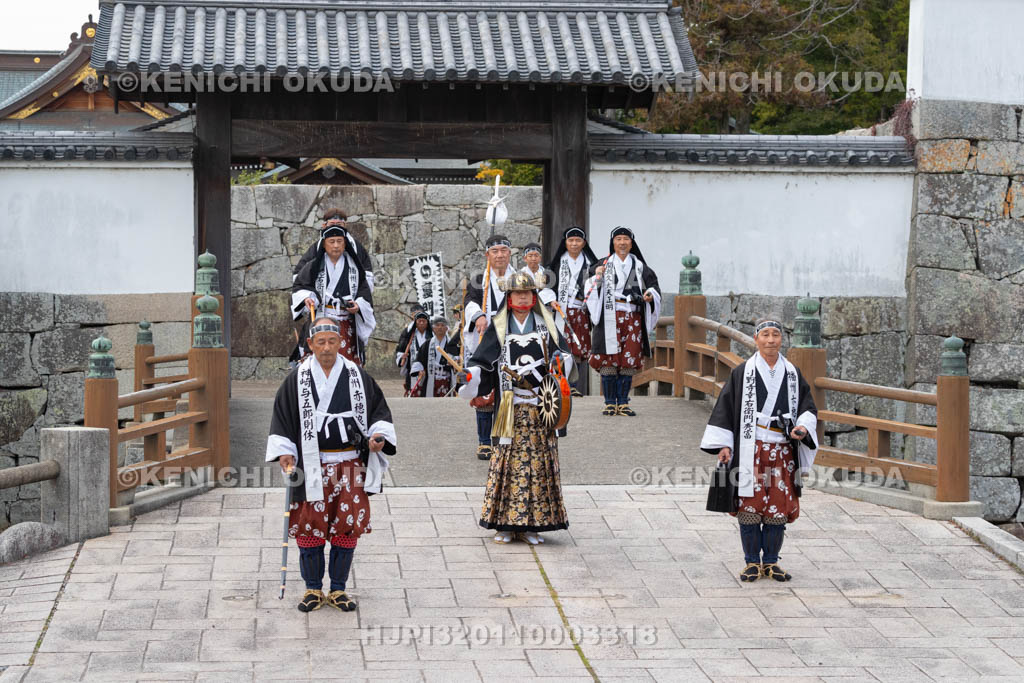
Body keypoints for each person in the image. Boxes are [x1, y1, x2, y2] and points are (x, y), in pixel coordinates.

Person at [267, 317, 397, 612]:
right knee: (308, 528)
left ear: (342, 343)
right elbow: (282, 418)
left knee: (346, 528)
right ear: (310, 344)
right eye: (320, 342)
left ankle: (338, 589)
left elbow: (378, 412)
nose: (326, 348)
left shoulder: (357, 376)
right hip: (311, 463)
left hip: (349, 464)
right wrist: (284, 451)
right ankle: (313, 589)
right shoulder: (296, 379)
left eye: (332, 341)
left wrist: (378, 438)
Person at [700, 319, 818, 583]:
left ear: (782, 339)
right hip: (750, 448)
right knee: (749, 507)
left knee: (778, 508)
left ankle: (772, 562)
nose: (771, 340)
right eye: (765, 334)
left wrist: (802, 426)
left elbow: (808, 406)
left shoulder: (792, 373)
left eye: (776, 334)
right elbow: (726, 408)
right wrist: (724, 444)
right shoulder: (743, 372)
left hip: (782, 449)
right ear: (756, 339)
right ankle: (752, 562)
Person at [459, 272, 570, 545]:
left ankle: (533, 525)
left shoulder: (546, 323)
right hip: (510, 404)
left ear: (534, 296)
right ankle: (505, 524)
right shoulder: (499, 326)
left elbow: (564, 355)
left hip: (541, 405)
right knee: (506, 464)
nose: (522, 297)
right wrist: (471, 375)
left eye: (527, 293)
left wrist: (560, 361)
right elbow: (482, 362)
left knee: (539, 465)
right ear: (508, 297)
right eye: (517, 293)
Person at [585, 226, 661, 416]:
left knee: (629, 359)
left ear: (631, 243)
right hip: (609, 317)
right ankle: (610, 402)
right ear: (613, 243)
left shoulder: (640, 267)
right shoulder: (603, 264)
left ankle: (624, 402)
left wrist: (650, 295)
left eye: (626, 239)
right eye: (618, 239)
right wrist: (597, 276)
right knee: (608, 360)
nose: (622, 243)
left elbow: (653, 287)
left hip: (632, 317)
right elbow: (589, 282)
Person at [291, 211, 376, 365]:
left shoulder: (354, 266)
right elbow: (300, 283)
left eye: (339, 241)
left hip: (346, 320)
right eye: (331, 242)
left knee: (346, 363)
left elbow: (364, 288)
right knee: (318, 359)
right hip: (322, 317)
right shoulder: (314, 264)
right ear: (324, 244)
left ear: (345, 243)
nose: (336, 245)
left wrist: (358, 305)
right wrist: (307, 298)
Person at [463, 234, 515, 459]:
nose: (500, 255)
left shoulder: (519, 279)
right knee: (485, 390)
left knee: (509, 390)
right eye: (495, 251)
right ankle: (484, 442)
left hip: (512, 341)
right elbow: (470, 302)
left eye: (504, 250)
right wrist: (478, 315)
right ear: (487, 255)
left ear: (510, 253)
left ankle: (503, 440)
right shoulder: (479, 280)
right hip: (487, 342)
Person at [546, 227, 598, 397]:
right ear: (565, 243)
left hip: (582, 311)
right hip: (562, 310)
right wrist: (550, 299)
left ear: (584, 243)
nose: (574, 244)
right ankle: (561, 383)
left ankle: (573, 384)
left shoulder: (592, 265)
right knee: (562, 346)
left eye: (578, 241)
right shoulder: (557, 264)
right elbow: (546, 286)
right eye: (571, 241)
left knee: (579, 347)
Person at [409, 316, 461, 397]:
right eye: (437, 325)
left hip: (447, 380)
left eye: (442, 325)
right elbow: (419, 359)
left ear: (446, 328)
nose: (440, 327)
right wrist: (419, 370)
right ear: (433, 328)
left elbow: (459, 360)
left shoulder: (452, 345)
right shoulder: (427, 344)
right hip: (432, 379)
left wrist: (456, 363)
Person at [395, 309, 430, 395]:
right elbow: (401, 349)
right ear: (415, 322)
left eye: (424, 321)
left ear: (427, 323)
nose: (421, 323)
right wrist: (402, 357)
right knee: (413, 391)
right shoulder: (409, 334)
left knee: (427, 391)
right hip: (412, 367)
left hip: (428, 368)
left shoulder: (432, 335)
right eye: (419, 321)